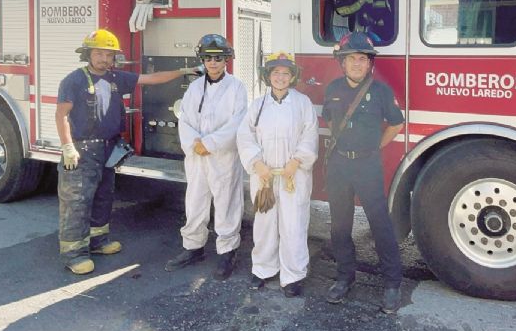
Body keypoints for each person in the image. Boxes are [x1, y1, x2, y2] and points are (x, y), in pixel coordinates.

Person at [56, 29, 196, 275]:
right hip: (82, 150)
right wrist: (68, 146)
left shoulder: (114, 78)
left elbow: (151, 79)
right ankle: (74, 253)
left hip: (108, 147)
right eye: (99, 53)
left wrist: (183, 72)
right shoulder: (74, 80)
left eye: (108, 55)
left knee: (103, 196)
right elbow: (61, 115)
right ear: (88, 53)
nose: (104, 59)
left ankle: (98, 241)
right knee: (77, 202)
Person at [322, 32, 405, 314]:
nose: (357, 63)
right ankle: (345, 277)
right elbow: (331, 122)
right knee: (340, 225)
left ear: (369, 63)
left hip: (368, 165)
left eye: (362, 58)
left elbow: (396, 125)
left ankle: (392, 284)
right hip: (339, 165)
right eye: (351, 58)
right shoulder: (332, 88)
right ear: (342, 63)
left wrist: (373, 147)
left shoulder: (381, 91)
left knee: (380, 224)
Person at [165, 34, 248, 280]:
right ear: (202, 59)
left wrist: (210, 143)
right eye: (208, 58)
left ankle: (227, 252)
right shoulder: (194, 87)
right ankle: (193, 247)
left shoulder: (237, 88)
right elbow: (185, 119)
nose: (212, 62)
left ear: (226, 60)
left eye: (218, 58)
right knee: (195, 201)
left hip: (223, 156)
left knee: (227, 202)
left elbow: (238, 122)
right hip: (197, 157)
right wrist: (194, 144)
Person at [237, 52, 318, 297]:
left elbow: (310, 134)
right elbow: (245, 135)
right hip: (264, 176)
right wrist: (256, 163)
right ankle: (262, 269)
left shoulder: (303, 103)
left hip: (294, 176)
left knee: (293, 224)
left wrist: (297, 161)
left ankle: (293, 275)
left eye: (285, 73)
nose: (280, 77)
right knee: (264, 223)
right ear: (268, 76)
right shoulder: (258, 105)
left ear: (292, 77)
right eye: (276, 73)